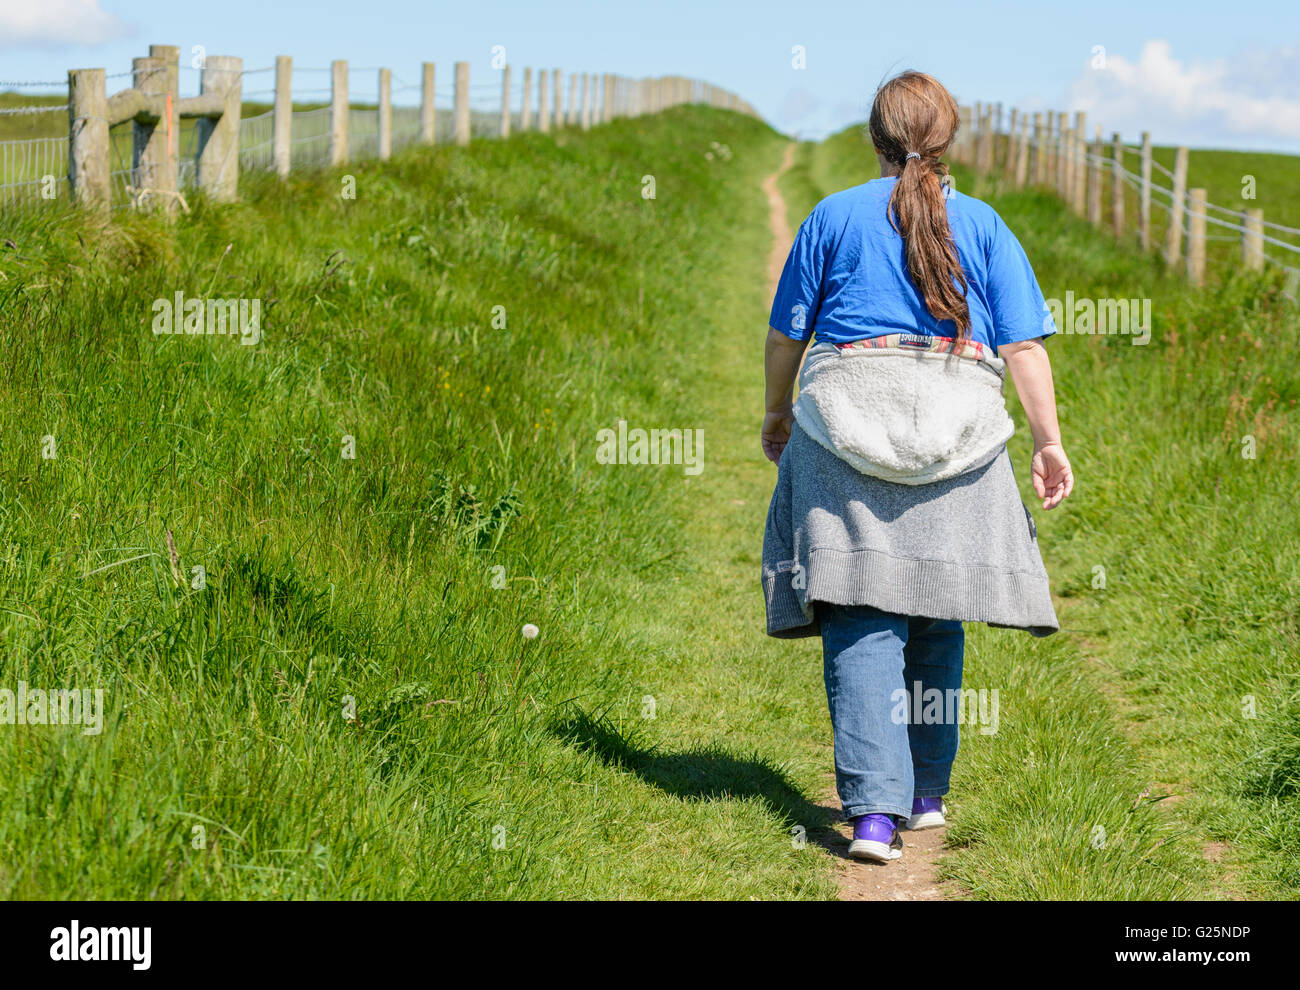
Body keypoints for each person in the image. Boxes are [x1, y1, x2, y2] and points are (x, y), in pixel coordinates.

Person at [761, 71, 1074, 864]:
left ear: (875, 137)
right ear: (949, 138)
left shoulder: (832, 216)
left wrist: (775, 409)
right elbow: (1024, 346)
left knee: (864, 618)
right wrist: (1047, 440)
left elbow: (786, 336)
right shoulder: (985, 223)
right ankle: (926, 795)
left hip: (845, 440)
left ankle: (872, 818)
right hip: (959, 447)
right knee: (937, 606)